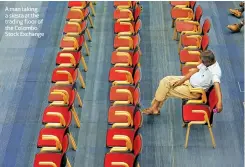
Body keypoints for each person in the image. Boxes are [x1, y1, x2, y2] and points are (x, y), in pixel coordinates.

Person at [143, 50, 223, 115]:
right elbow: (195, 71)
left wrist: (219, 102)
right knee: (165, 80)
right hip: (188, 81)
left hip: (194, 91)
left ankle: (154, 108)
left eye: (200, 60)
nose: (199, 61)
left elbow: (217, 87)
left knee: (167, 90)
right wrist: (181, 81)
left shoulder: (215, 73)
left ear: (207, 62)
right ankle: (155, 108)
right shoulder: (208, 61)